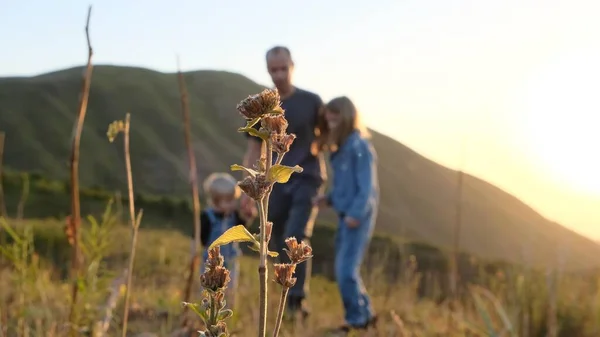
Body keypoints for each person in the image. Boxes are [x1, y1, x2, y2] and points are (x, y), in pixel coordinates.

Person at [239, 46, 326, 318]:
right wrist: (246, 189)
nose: (278, 74)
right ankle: (285, 292)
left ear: (292, 66)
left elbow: (328, 135)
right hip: (274, 182)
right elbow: (254, 149)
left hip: (306, 177)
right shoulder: (263, 108)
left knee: (296, 234)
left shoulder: (311, 101)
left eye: (282, 68)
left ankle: (297, 302)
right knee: (274, 235)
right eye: (272, 69)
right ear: (267, 70)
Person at [313, 96, 379, 333]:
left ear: (347, 117)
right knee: (348, 269)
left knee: (345, 271)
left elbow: (366, 187)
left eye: (335, 117)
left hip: (357, 217)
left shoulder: (359, 147)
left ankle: (356, 320)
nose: (330, 122)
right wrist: (328, 199)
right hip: (346, 214)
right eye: (328, 118)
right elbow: (344, 185)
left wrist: (355, 214)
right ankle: (366, 314)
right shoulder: (341, 150)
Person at [198, 172, 256, 309]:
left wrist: (249, 216)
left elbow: (242, 228)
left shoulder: (233, 215)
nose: (232, 204)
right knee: (208, 287)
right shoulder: (207, 217)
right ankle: (208, 309)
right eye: (229, 201)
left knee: (230, 287)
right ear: (217, 200)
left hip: (230, 260)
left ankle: (227, 308)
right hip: (210, 262)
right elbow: (201, 238)